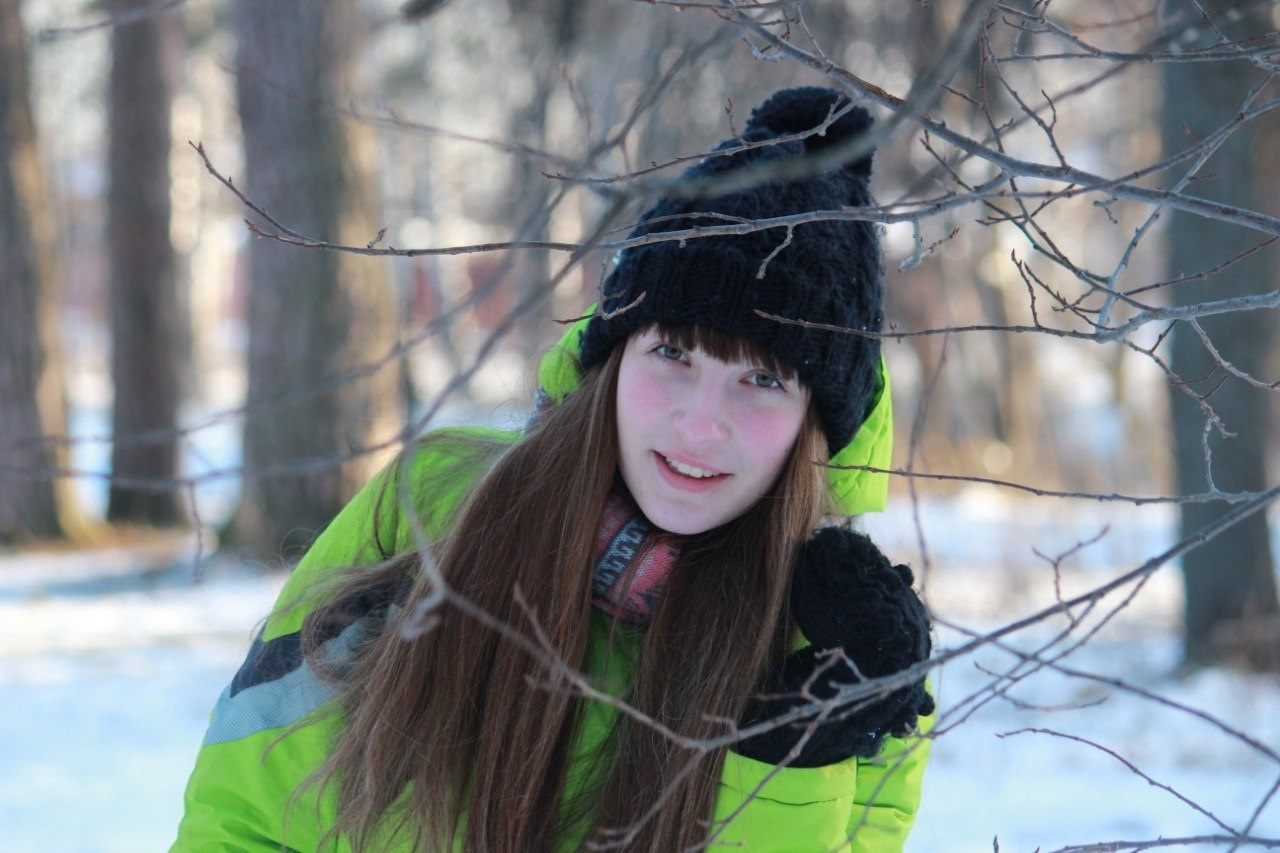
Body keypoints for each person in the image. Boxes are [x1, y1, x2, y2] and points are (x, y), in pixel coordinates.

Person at [172, 86, 934, 853]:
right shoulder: (439, 503)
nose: (701, 422)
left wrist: (792, 759)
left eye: (763, 378)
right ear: (614, 356)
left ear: (816, 426)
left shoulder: (848, 642)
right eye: (673, 352)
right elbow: (242, 815)